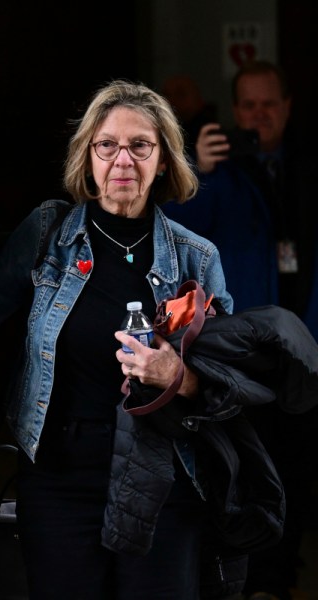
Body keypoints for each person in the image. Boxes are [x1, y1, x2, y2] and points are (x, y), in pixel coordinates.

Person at [0, 80, 234, 599]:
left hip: (164, 476)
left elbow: (230, 389)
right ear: (88, 157)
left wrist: (176, 377)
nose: (122, 159)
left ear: (163, 161)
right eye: (106, 145)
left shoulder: (197, 257)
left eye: (140, 145)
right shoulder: (48, 235)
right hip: (60, 475)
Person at [163, 59, 318, 600]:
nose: (259, 115)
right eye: (248, 105)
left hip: (306, 350)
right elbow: (176, 234)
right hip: (244, 354)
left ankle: (279, 580)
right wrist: (196, 171)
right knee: (247, 467)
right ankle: (247, 582)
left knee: (299, 470)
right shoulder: (219, 173)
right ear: (233, 112)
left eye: (269, 104)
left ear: (288, 107)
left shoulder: (306, 167)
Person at [161, 74, 217, 157]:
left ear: (199, 99)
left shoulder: (209, 132)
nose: (171, 100)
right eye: (167, 95)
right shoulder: (159, 131)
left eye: (180, 94)